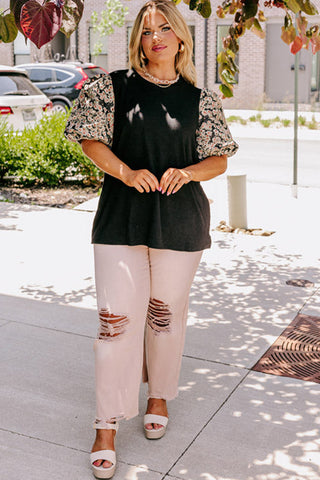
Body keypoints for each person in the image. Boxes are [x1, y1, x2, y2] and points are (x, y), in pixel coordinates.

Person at [65, 0, 238, 477]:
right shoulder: (113, 88)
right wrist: (125, 171)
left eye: (165, 27)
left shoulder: (202, 99)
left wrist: (186, 172)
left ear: (181, 37)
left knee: (164, 318)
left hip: (180, 222)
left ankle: (158, 395)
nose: (156, 36)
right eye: (146, 30)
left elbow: (219, 159)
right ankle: (105, 425)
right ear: (137, 39)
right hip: (121, 220)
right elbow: (88, 139)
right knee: (115, 322)